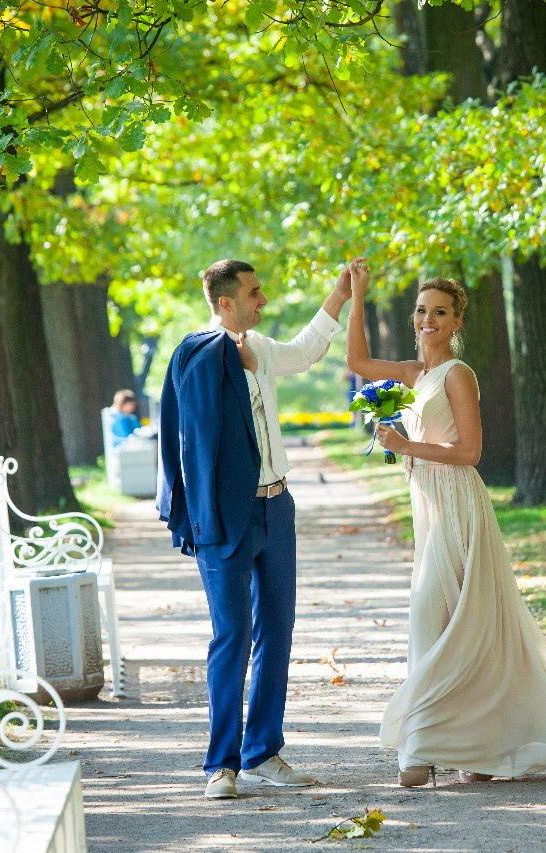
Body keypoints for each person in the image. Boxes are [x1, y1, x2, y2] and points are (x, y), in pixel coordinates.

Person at [344, 262, 546, 788]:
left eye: (440, 312)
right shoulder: (414, 374)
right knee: (445, 621)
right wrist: (358, 295)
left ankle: (423, 748)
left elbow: (471, 452)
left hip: (457, 501)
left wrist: (405, 445)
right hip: (427, 505)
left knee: (437, 618)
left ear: (457, 321)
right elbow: (357, 360)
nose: (428, 319)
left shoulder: (459, 375)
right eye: (421, 311)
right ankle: (465, 746)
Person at [157, 258, 352, 800]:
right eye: (253, 293)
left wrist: (338, 295)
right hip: (225, 515)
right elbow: (186, 443)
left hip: (277, 507)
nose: (262, 300)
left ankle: (263, 751)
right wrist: (193, 516)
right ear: (225, 302)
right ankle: (220, 765)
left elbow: (306, 350)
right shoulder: (196, 356)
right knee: (232, 635)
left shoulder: (260, 348)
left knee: (277, 631)